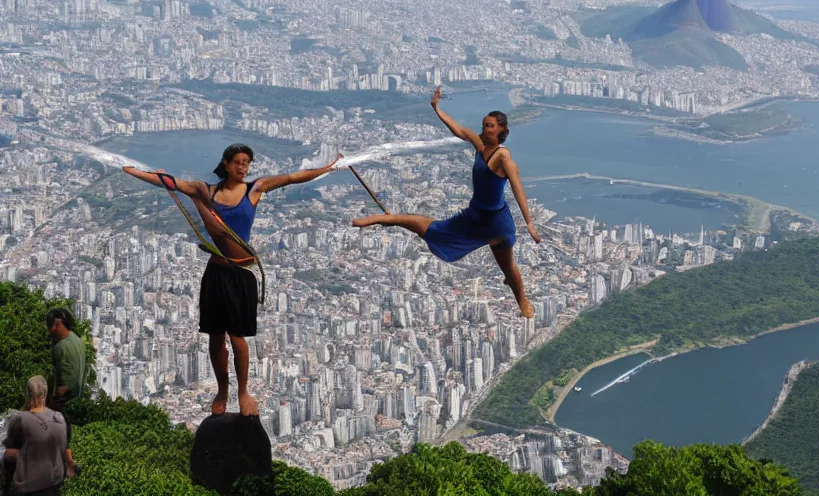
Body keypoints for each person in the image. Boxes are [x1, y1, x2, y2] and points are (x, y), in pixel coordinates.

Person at [123, 144, 341, 416]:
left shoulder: (255, 189)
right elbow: (171, 182)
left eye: (246, 162)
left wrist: (328, 167)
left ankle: (243, 391)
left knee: (238, 338)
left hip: (241, 274)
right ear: (225, 163)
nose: (243, 167)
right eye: (238, 162)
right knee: (215, 336)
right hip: (216, 271)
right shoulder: (207, 191)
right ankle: (222, 389)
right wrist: (132, 171)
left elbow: (294, 177)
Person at [352, 87, 541, 318]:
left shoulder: (504, 157)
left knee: (508, 267)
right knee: (433, 228)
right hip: (473, 217)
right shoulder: (480, 146)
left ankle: (522, 301)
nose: (484, 128)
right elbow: (459, 130)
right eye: (484, 124)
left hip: (496, 222)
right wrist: (436, 108)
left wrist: (529, 222)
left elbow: (517, 187)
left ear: (502, 129)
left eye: (490, 125)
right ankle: (386, 219)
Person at [2, 376, 72, 496]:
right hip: (53, 486)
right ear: (45, 393)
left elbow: (11, 455)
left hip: (27, 488)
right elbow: (65, 448)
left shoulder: (20, 419)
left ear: (27, 394)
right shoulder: (59, 417)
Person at [45, 308, 83, 477]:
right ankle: (68, 464)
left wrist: (53, 402)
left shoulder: (63, 347)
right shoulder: (76, 339)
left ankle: (65, 467)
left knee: (56, 433)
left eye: (50, 326)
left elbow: (66, 383)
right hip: (76, 398)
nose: (48, 330)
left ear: (57, 324)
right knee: (63, 435)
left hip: (65, 400)